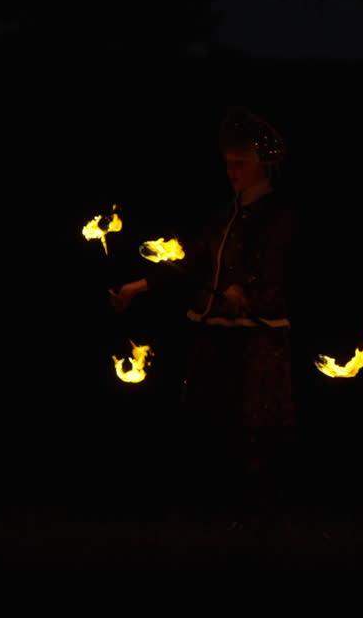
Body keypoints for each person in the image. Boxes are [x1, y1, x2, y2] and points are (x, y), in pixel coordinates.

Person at [110, 106, 298, 525]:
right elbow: (193, 259)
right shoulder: (223, 215)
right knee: (207, 421)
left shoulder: (277, 217)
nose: (232, 171)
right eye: (228, 163)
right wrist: (138, 288)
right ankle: (211, 512)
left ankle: (261, 517)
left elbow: (270, 264)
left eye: (241, 163)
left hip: (257, 337)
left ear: (261, 166)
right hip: (216, 332)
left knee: (254, 429)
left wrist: (245, 290)